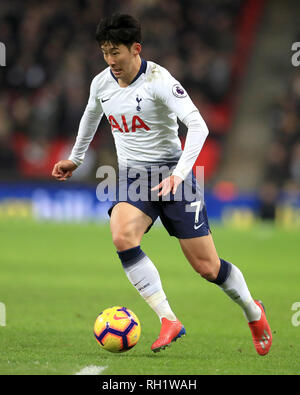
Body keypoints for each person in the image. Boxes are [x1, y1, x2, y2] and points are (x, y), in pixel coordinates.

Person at [52, 14, 272, 355]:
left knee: (208, 268)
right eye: (105, 52)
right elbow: (90, 117)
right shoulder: (102, 84)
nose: (111, 61)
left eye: (116, 53)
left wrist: (178, 176)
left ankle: (253, 313)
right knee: (122, 234)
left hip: (174, 174)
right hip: (135, 178)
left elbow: (198, 127)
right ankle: (168, 319)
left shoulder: (159, 81)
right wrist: (76, 158)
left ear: (135, 49)